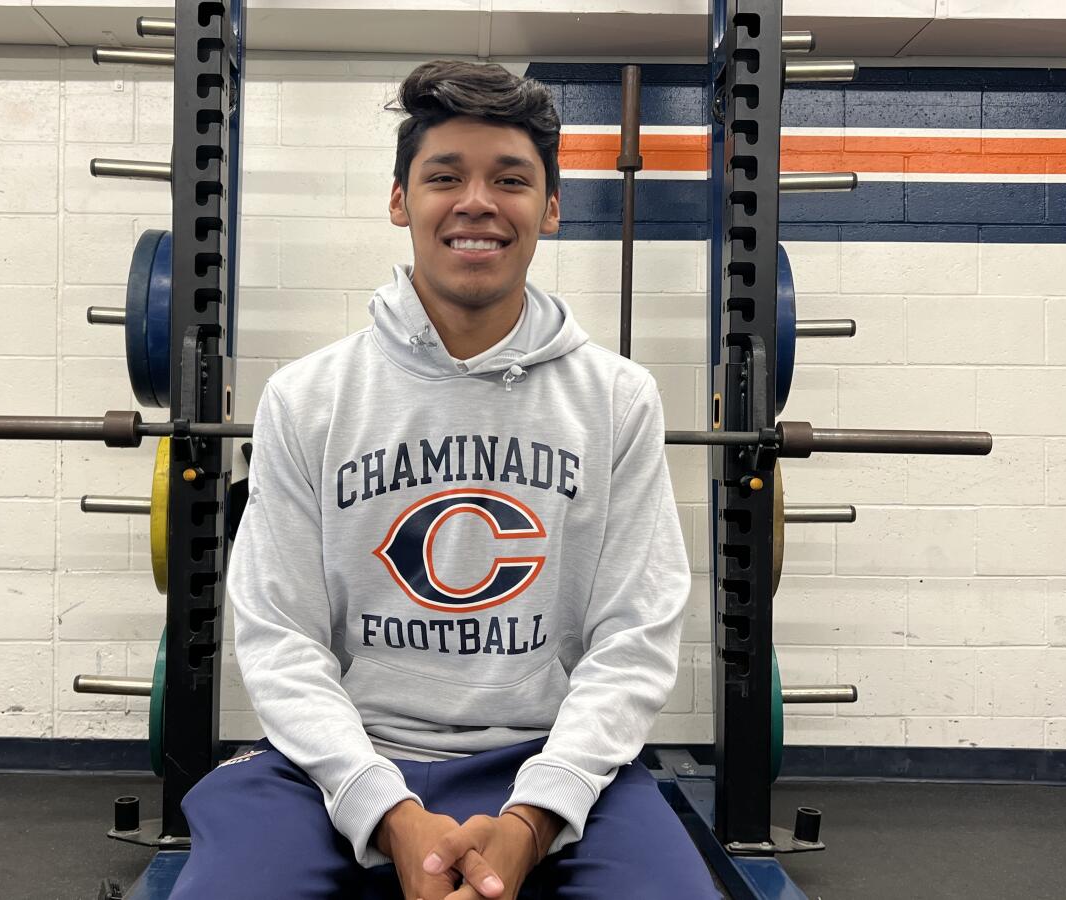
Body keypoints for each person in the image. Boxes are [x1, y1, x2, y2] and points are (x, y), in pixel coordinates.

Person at [170, 59, 721, 900]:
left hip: (549, 755)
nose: (477, 202)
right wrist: (388, 811)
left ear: (552, 207)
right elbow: (280, 636)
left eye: (510, 179)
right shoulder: (307, 397)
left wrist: (536, 815)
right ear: (401, 201)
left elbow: (635, 634)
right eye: (443, 177)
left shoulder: (618, 399)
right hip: (343, 756)